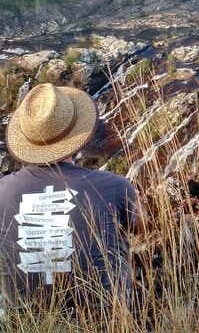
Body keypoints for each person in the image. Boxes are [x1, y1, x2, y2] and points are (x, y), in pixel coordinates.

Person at [0, 83, 139, 308]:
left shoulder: (2, 189)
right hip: (103, 319)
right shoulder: (115, 185)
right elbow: (139, 226)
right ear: (77, 136)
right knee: (118, 243)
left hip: (23, 322)